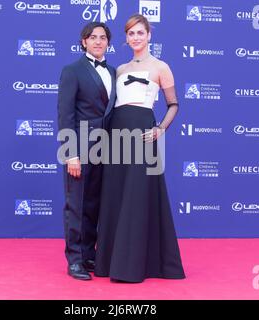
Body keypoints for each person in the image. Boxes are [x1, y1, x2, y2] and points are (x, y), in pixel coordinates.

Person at [94, 14, 186, 283]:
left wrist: (160, 129)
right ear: (126, 38)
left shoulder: (161, 67)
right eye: (131, 33)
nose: (135, 37)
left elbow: (174, 104)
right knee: (115, 195)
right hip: (116, 135)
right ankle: (110, 261)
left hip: (143, 135)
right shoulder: (119, 69)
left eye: (140, 33)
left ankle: (134, 265)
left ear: (149, 36)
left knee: (137, 196)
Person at [57, 22, 117, 280]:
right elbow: (65, 114)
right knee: (76, 204)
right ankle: (75, 260)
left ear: (108, 43)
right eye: (93, 37)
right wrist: (71, 153)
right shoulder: (72, 71)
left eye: (103, 38)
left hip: (108, 148)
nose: (98, 41)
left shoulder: (114, 72)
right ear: (83, 42)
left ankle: (89, 254)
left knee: (94, 204)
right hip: (80, 147)